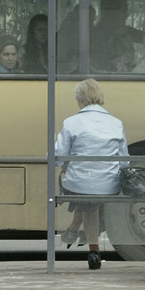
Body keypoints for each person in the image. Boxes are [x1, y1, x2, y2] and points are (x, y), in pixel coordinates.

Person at [55, 78, 129, 270]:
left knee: (87, 198)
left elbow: (58, 157)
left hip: (77, 184)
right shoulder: (116, 123)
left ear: (80, 100)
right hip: (108, 184)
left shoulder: (71, 122)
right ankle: (77, 232)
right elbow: (124, 160)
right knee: (90, 200)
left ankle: (92, 249)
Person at [90, 0, 143, 73]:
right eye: (124, 10)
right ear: (112, 13)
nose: (126, 15)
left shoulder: (126, 31)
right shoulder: (95, 36)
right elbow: (96, 66)